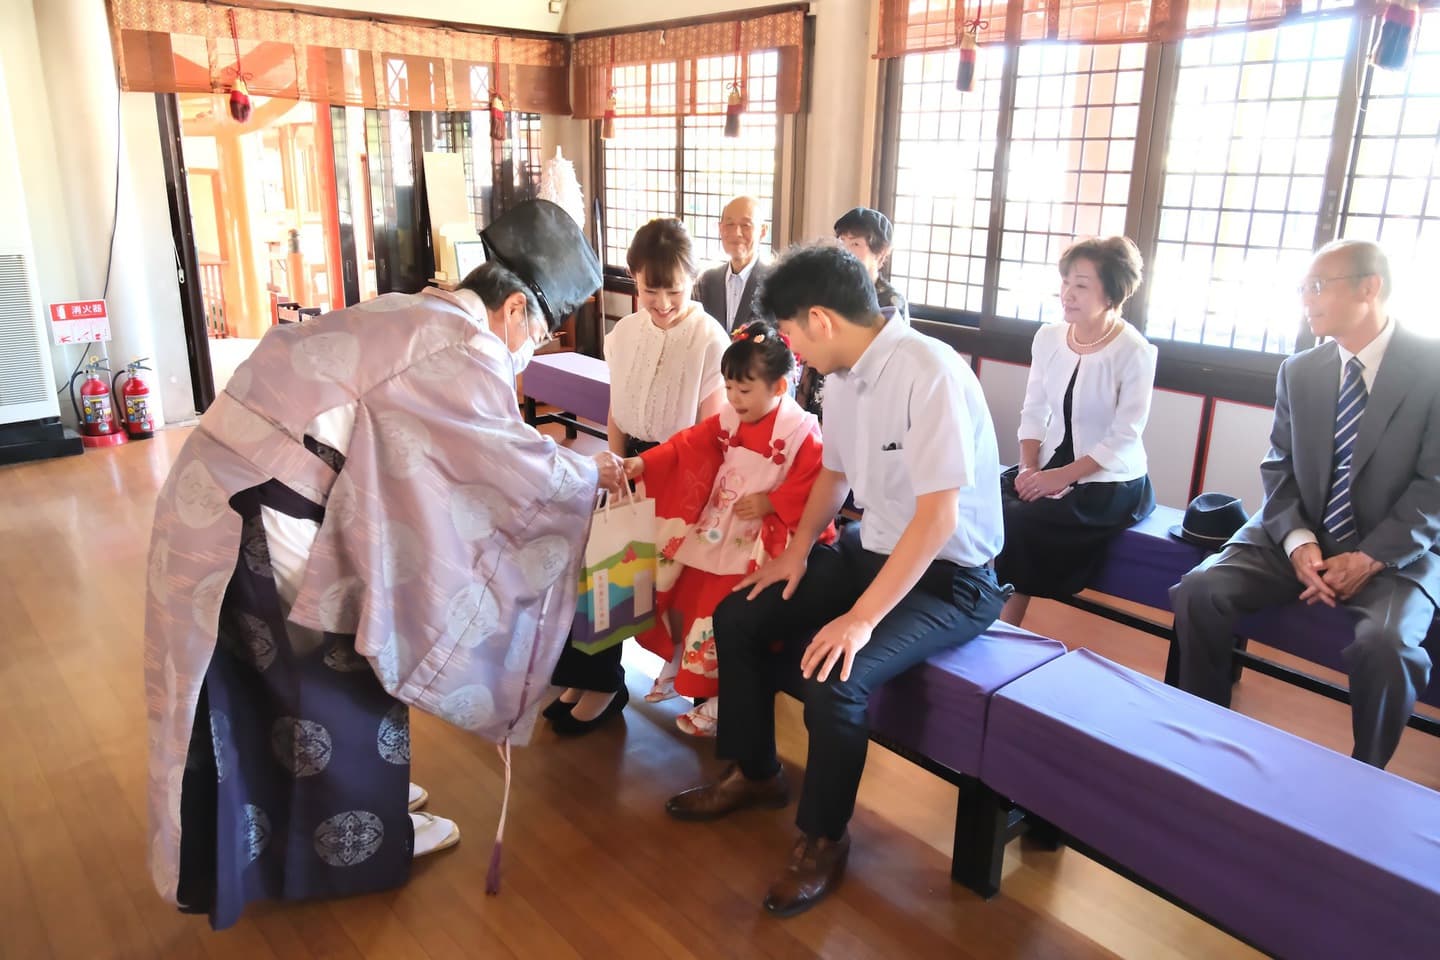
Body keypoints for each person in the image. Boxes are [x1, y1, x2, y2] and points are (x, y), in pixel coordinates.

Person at [144, 260, 624, 929]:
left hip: (220, 489)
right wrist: (584, 472)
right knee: (347, 668)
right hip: (265, 510)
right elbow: (503, 468)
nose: (530, 349)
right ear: (513, 308)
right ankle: (372, 828)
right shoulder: (467, 348)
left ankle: (328, 817)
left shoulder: (413, 309)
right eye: (538, 333)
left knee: (267, 683)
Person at [665, 244, 1007, 917]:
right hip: (871, 550)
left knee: (835, 675)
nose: (787, 347)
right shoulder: (845, 375)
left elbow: (938, 520)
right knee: (742, 612)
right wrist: (795, 554)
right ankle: (756, 772)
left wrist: (861, 618)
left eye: (789, 331)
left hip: (950, 578)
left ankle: (823, 838)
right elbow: (835, 474)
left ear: (820, 319)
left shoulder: (928, 372)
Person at [1171, 239, 1440, 769]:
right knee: (1200, 589)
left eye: (1318, 287)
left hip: (1395, 550)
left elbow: (1434, 486)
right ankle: (1199, 735)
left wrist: (1369, 558)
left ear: (1370, 287)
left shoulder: (1431, 369)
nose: (1306, 301)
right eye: (1303, 289)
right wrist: (1298, 541)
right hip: (1300, 535)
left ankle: (1366, 774)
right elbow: (1279, 467)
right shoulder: (1300, 369)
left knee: (1386, 647)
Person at [547, 218, 731, 734]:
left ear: (692, 281)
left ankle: (605, 683)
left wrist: (648, 470)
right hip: (626, 464)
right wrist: (614, 464)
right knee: (584, 555)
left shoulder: (709, 339)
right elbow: (617, 410)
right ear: (634, 278)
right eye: (652, 291)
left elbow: (708, 434)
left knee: (612, 564)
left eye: (674, 291)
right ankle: (585, 675)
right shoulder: (624, 332)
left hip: (682, 471)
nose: (664, 303)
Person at [623, 321, 832, 736]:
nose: (734, 399)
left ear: (778, 388)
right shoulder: (729, 419)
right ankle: (689, 679)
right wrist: (645, 463)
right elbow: (689, 443)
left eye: (745, 390)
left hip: (764, 537)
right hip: (721, 524)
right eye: (730, 388)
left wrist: (773, 501)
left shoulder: (801, 431)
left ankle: (722, 700)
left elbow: (818, 480)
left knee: (725, 610)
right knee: (689, 593)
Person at [995, 237, 1157, 627]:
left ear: (1112, 292)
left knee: (1024, 521)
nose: (1067, 293)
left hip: (1109, 480)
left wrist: (1058, 478)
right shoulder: (1048, 338)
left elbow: (1124, 436)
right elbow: (1033, 410)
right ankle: (974, 607)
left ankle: (1003, 624)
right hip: (1050, 462)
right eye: (1066, 282)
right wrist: (1028, 469)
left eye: (1081, 285)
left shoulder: (1134, 351)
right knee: (990, 499)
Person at [796, 207, 909, 418]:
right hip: (822, 393)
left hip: (862, 399)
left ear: (881, 251)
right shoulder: (827, 290)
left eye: (855, 244)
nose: (845, 251)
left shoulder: (890, 301)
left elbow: (890, 361)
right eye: (842, 242)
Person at [695, 196, 772, 333]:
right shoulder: (706, 282)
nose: (737, 233)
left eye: (746, 225)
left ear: (763, 231)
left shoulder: (775, 283)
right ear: (720, 228)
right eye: (730, 224)